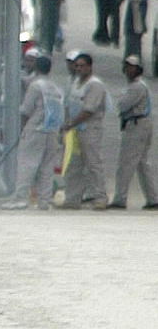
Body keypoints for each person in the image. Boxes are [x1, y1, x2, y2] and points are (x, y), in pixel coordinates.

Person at [8, 55, 61, 209]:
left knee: (27, 164)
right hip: (51, 131)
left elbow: (26, 110)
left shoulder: (36, 86)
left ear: (37, 67)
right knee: (47, 167)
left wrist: (22, 129)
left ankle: (20, 199)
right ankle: (44, 200)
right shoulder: (55, 88)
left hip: (35, 130)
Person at [62, 50, 113, 209]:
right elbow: (69, 105)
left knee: (93, 163)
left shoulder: (95, 85)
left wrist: (71, 123)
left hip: (90, 129)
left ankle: (100, 197)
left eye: (82, 66)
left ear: (90, 67)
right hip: (76, 130)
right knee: (74, 165)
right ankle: (72, 199)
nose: (78, 69)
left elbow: (88, 110)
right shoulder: (76, 83)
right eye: (76, 66)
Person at [114, 55, 156, 209]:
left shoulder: (137, 87)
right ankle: (153, 198)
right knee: (143, 164)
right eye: (127, 66)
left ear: (138, 69)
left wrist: (121, 100)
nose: (128, 70)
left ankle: (120, 198)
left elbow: (122, 105)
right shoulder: (134, 86)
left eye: (132, 67)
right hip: (138, 124)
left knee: (126, 163)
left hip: (137, 124)